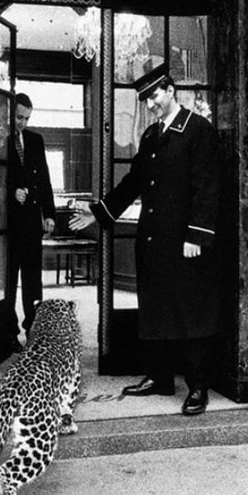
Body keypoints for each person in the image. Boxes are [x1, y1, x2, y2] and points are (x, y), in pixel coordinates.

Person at [69, 66, 220, 415]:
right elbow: (133, 183)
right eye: (146, 100)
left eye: (155, 96)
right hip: (153, 241)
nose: (151, 104)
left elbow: (207, 187)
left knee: (189, 310)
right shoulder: (152, 136)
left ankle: (198, 385)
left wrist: (196, 234)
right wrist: (99, 211)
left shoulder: (198, 129)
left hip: (184, 242)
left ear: (171, 91)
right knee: (155, 309)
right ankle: (159, 377)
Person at [7, 93, 55, 350]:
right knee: (7, 280)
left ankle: (33, 330)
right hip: (7, 224)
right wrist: (12, 190)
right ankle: (9, 333)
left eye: (26, 118)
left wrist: (49, 214)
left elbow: (45, 180)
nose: (22, 123)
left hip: (31, 223)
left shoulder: (36, 141)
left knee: (33, 280)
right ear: (9, 113)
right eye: (18, 117)